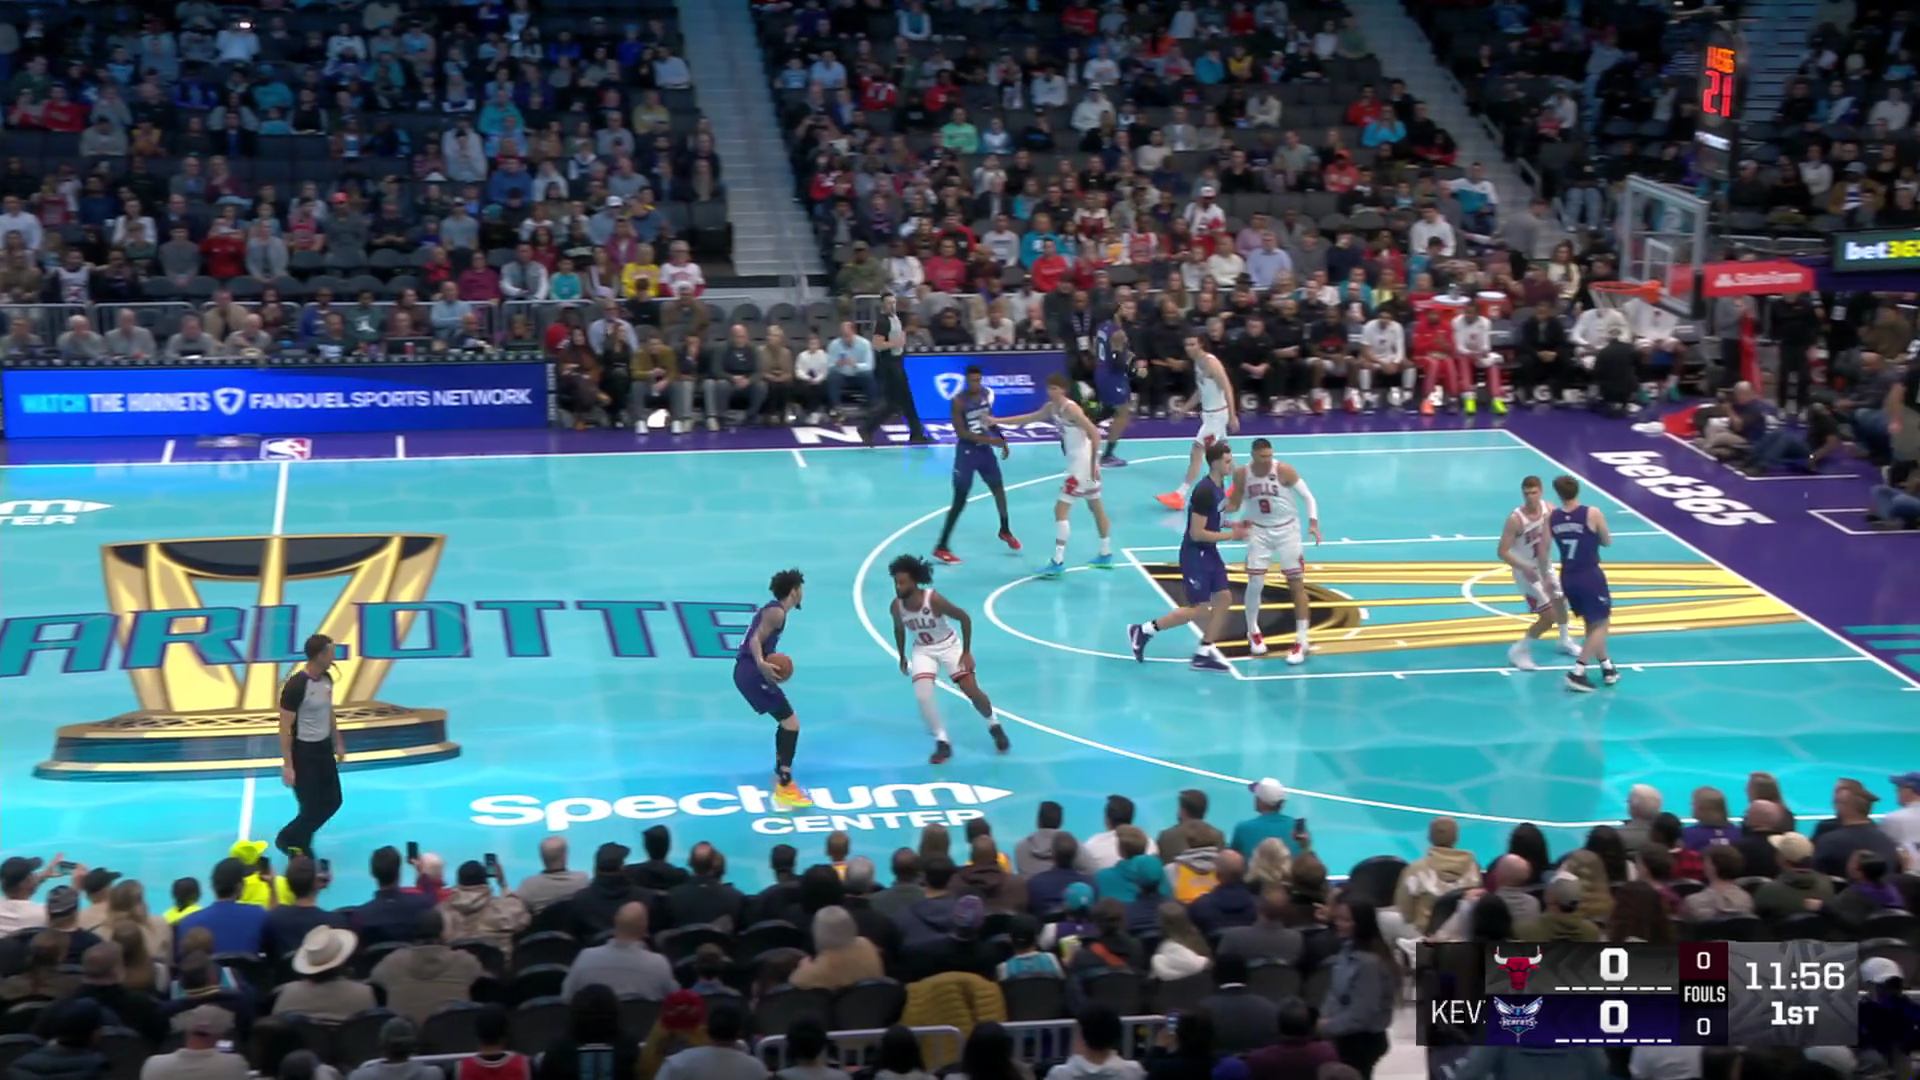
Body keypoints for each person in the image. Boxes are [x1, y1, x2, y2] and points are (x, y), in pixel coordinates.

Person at [1130, 441, 1251, 673]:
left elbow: (1214, 517)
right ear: (1215, 463)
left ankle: (1203, 653)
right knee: (1199, 609)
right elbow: (1197, 533)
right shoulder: (1204, 491)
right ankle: (1143, 630)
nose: (1231, 465)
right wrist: (1232, 536)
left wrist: (1232, 524)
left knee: (1224, 599)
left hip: (1209, 552)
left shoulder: (1219, 485)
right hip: (1195, 555)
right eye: (1227, 461)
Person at [889, 554, 1008, 764]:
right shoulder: (896, 607)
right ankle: (942, 741)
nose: (898, 587)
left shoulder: (933, 600)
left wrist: (966, 652)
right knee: (923, 696)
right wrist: (902, 656)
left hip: (949, 646)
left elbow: (964, 618)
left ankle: (993, 724)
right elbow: (899, 629)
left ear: (915, 582)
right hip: (923, 650)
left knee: (972, 691)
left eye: (902, 583)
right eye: (896, 582)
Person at [995, 374, 1114, 577]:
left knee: (1060, 510)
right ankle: (1105, 553)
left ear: (1063, 390)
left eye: (1055, 389)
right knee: (1095, 507)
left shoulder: (1071, 409)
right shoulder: (1051, 408)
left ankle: (1058, 561)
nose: (1051, 392)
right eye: (1049, 388)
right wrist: (997, 420)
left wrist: (1094, 465)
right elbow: (1028, 418)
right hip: (1081, 464)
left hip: (1082, 466)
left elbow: (1094, 434)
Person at [1227, 438, 1321, 663]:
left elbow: (1308, 497)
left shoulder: (1284, 471)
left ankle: (1301, 640)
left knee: (1296, 584)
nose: (1268, 460)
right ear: (1253, 455)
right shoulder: (1242, 474)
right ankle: (1253, 631)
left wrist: (1313, 523)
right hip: (1259, 531)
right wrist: (1217, 513)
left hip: (1287, 530)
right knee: (1255, 582)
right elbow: (1235, 504)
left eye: (1270, 455)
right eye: (1263, 457)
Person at [733, 569, 812, 809]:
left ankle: (782, 777)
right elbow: (756, 639)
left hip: (749, 672)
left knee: (786, 722)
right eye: (800, 589)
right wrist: (761, 664)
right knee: (791, 723)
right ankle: (785, 787)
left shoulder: (775, 610)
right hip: (752, 673)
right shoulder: (776, 612)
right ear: (795, 591)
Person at [932, 365, 1021, 563]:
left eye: (978, 380)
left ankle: (1005, 529)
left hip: (984, 451)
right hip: (967, 453)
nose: (976, 384)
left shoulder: (985, 395)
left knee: (999, 489)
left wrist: (1002, 440)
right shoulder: (958, 401)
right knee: (960, 499)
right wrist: (991, 441)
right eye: (972, 381)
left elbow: (990, 421)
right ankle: (941, 545)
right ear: (966, 381)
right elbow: (961, 433)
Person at [275, 633, 346, 858]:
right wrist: (288, 764)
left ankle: (292, 838)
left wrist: (338, 741)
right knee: (310, 805)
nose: (334, 656)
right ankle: (295, 843)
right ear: (319, 655)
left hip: (323, 749)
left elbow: (328, 711)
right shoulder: (296, 686)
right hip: (304, 753)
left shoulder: (327, 679)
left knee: (333, 801)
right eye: (331, 652)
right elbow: (285, 727)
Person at [1498, 475, 1577, 669]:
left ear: (1541, 492)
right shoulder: (1516, 520)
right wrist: (1524, 567)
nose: (1530, 497)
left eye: (1533, 493)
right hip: (1526, 573)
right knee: (1548, 617)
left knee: (1560, 601)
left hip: (1544, 566)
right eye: (1526, 493)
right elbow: (1502, 552)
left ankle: (1564, 640)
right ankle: (1519, 650)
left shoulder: (1549, 510)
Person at [1549, 475, 1619, 692]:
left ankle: (1606, 666)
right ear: (1577, 490)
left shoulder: (1552, 517)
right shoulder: (1592, 513)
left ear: (1558, 494)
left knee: (1592, 621)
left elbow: (1544, 550)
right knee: (1601, 622)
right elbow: (1607, 541)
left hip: (1568, 576)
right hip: (1589, 574)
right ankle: (1578, 672)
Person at [1157, 335, 1238, 510]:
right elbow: (1200, 392)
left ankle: (1180, 495)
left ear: (1201, 344)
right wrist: (1184, 410)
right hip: (1209, 415)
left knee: (1197, 451)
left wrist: (1233, 416)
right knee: (1224, 451)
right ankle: (1240, 485)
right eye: (1186, 344)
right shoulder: (1197, 363)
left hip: (1217, 417)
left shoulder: (1211, 363)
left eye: (1193, 344)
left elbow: (1228, 388)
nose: (1189, 347)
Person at [859, 294, 932, 446]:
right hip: (889, 365)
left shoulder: (895, 318)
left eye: (893, 302)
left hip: (897, 362)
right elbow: (877, 344)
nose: (892, 305)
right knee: (896, 402)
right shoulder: (882, 321)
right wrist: (895, 343)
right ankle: (867, 428)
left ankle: (916, 433)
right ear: (883, 305)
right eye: (889, 303)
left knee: (903, 401)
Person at [1093, 298, 1137, 467]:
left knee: (1108, 409)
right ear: (1116, 313)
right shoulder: (1119, 333)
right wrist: (1131, 366)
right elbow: (1118, 360)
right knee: (1122, 412)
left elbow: (1095, 348)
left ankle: (1078, 427)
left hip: (1101, 371)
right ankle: (1107, 455)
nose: (1128, 311)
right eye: (1124, 308)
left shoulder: (1102, 327)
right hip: (1113, 376)